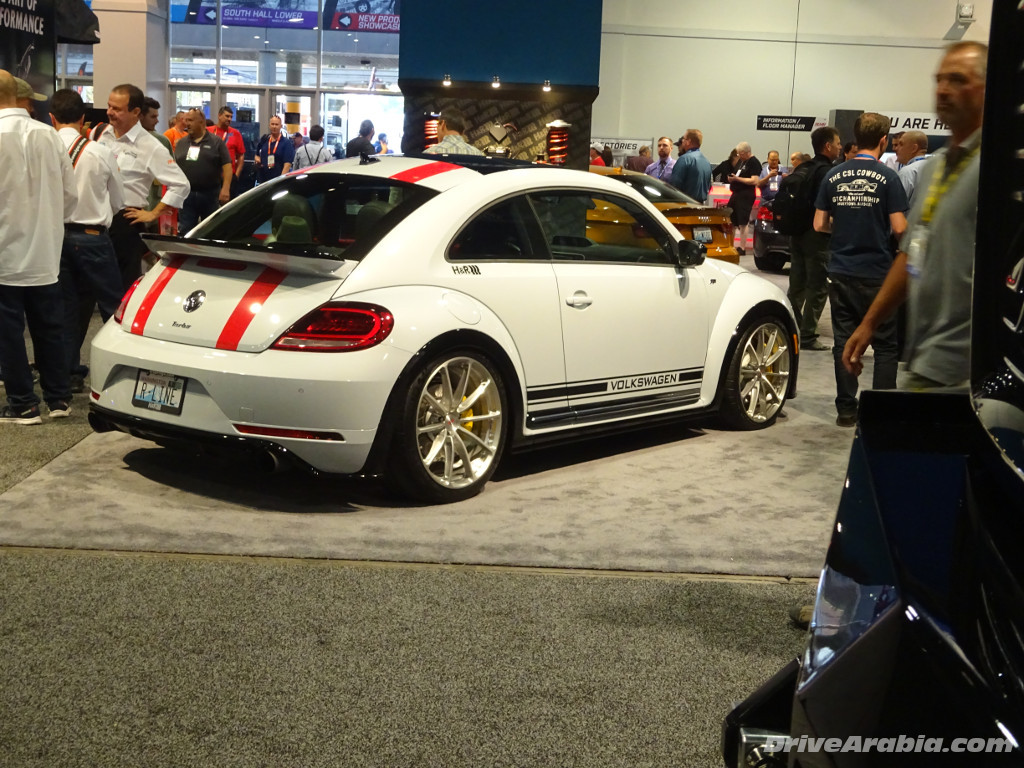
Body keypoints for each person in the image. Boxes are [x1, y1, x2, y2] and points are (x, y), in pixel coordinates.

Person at [844, 41, 987, 392]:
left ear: (989, 88)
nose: (943, 89)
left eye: (958, 79)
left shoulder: (1000, 168)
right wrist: (869, 323)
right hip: (926, 359)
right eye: (939, 80)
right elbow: (911, 253)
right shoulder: (935, 169)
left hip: (972, 372)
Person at [814, 112, 908, 427]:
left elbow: (819, 224)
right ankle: (880, 413)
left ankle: (846, 409)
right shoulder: (889, 178)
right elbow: (900, 228)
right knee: (885, 345)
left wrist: (844, 229)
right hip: (878, 272)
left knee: (843, 340)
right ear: (884, 140)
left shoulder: (833, 175)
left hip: (841, 270)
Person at [0, 70, 78, 424]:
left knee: (8, 333)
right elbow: (70, 196)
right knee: (50, 327)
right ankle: (59, 399)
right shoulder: (49, 136)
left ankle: (23, 403)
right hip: (45, 251)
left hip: (5, 254)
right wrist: (47, 223)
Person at [50, 89, 125, 395]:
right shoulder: (100, 151)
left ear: (51, 118)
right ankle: (121, 370)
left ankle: (69, 373)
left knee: (66, 309)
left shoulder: (45, 148)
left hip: (56, 238)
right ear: (83, 118)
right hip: (93, 237)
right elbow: (119, 201)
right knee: (113, 306)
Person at [91, 83, 190, 290]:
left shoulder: (150, 145)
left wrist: (153, 213)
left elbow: (181, 184)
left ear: (135, 112)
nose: (109, 112)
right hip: (95, 220)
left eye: (117, 109)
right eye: (109, 106)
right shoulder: (99, 133)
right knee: (91, 286)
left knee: (121, 287)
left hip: (125, 222)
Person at [787, 126, 843, 352]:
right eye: (837, 143)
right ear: (828, 146)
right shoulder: (829, 172)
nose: (840, 147)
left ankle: (791, 327)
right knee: (818, 286)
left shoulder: (804, 167)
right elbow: (829, 206)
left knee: (797, 284)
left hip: (797, 233)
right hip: (817, 235)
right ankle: (808, 335)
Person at [174, 108, 232, 234]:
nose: (187, 124)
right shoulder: (181, 143)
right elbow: (175, 167)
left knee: (210, 230)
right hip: (186, 195)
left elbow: (227, 166)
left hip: (210, 194)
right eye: (186, 120)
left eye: (190, 120)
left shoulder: (216, 142)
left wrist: (226, 188)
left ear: (201, 122)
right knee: (186, 230)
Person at [726, 142, 762, 255]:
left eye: (740, 154)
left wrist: (737, 179)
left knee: (743, 222)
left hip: (746, 194)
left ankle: (742, 247)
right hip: (736, 193)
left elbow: (754, 180)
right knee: (731, 219)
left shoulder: (754, 162)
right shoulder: (742, 161)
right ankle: (730, 245)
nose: (739, 156)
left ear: (746, 152)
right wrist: (732, 178)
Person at [209, 106, 246, 197]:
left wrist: (236, 176)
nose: (229, 119)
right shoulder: (208, 131)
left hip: (229, 177)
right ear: (219, 116)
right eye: (227, 116)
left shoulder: (235, 133)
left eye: (231, 117)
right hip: (210, 176)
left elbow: (241, 156)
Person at [669, 129, 712, 202]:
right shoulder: (706, 162)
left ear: (688, 141)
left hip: (685, 204)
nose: (682, 141)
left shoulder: (684, 159)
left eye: (684, 139)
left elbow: (674, 186)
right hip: (701, 205)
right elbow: (709, 186)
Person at [254, 115, 294, 184]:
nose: (274, 126)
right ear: (269, 126)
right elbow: (256, 155)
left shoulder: (286, 143)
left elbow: (287, 165)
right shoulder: (264, 140)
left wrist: (281, 181)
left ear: (281, 126)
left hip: (278, 180)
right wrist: (258, 160)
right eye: (272, 124)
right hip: (263, 180)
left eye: (276, 124)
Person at [895, 130, 929, 204]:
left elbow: (896, 205)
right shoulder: (934, 168)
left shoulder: (907, 172)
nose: (896, 148)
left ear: (914, 148)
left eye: (901, 144)